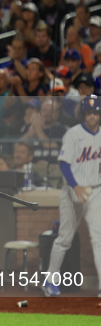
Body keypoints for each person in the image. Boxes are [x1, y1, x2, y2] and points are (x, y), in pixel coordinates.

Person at [42, 95, 101, 298]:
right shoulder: (73, 134)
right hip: (72, 191)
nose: (92, 116)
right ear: (84, 114)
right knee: (64, 238)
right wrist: (75, 186)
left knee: (98, 238)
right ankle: (50, 279)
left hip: (96, 190)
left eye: (96, 112)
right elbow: (64, 163)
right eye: (89, 112)